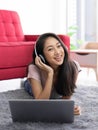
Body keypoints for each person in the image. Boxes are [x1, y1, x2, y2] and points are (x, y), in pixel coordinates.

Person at [24, 32, 81, 115]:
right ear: (41, 56)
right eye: (50, 49)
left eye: (58, 46)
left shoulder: (74, 66)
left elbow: (66, 98)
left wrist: (70, 108)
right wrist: (50, 73)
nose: (57, 52)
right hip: (33, 85)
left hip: (55, 91)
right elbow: (41, 104)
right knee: (28, 86)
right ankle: (28, 81)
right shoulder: (34, 68)